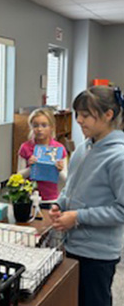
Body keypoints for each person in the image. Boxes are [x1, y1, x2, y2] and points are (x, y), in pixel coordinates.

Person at [49, 86, 124, 306]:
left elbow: (121, 210)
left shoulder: (119, 157)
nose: (79, 121)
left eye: (85, 115)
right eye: (77, 115)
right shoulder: (83, 148)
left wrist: (78, 217)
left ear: (108, 115)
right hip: (72, 245)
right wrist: (59, 205)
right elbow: (70, 188)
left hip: (98, 254)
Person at [17, 108, 67, 201]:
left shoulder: (59, 149)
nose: (39, 129)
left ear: (51, 127)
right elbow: (18, 177)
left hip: (52, 198)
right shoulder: (25, 147)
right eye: (35, 125)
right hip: (30, 197)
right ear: (31, 127)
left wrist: (59, 170)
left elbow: (66, 180)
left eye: (44, 125)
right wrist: (30, 168)